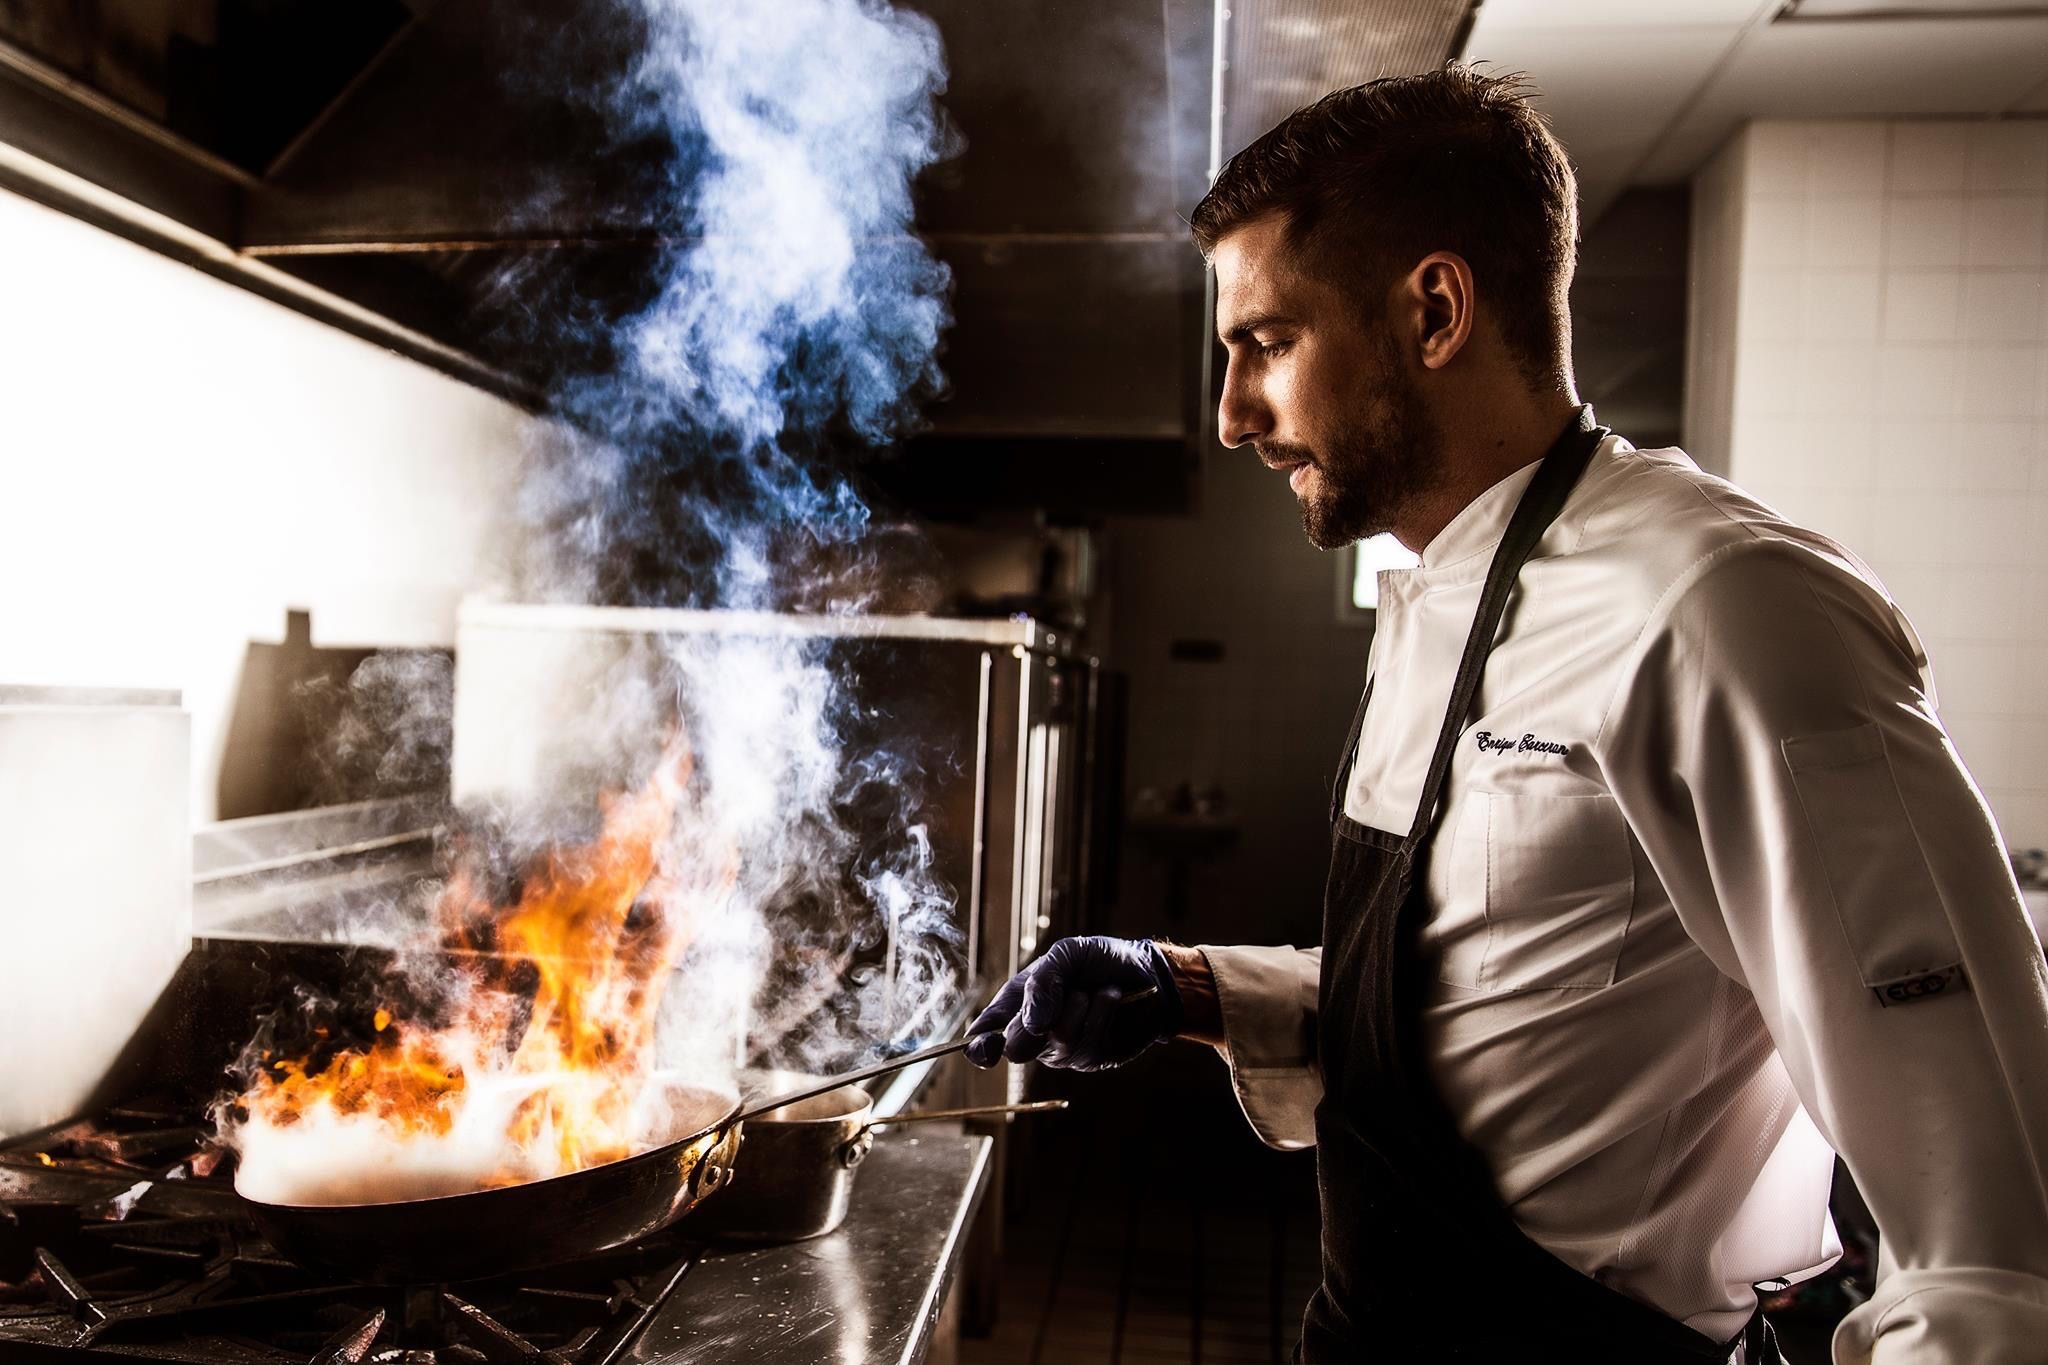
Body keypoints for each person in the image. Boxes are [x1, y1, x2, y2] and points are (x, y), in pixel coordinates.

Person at [965, 66, 2048, 1364]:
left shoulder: (1724, 607)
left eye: (1268, 344)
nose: (1233, 416)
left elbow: (1994, 1248)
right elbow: (1499, 996)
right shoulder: (1436, 598)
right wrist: (1190, 988)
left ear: (1434, 309)